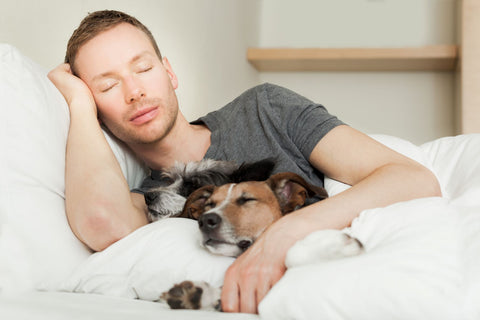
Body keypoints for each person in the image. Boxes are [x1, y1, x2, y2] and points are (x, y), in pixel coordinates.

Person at [48, 10, 441, 314]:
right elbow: (101, 223)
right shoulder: (149, 199)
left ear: (169, 72)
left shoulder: (265, 108)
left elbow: (414, 178)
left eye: (144, 68)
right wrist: (80, 107)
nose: (134, 91)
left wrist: (284, 234)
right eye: (108, 85)